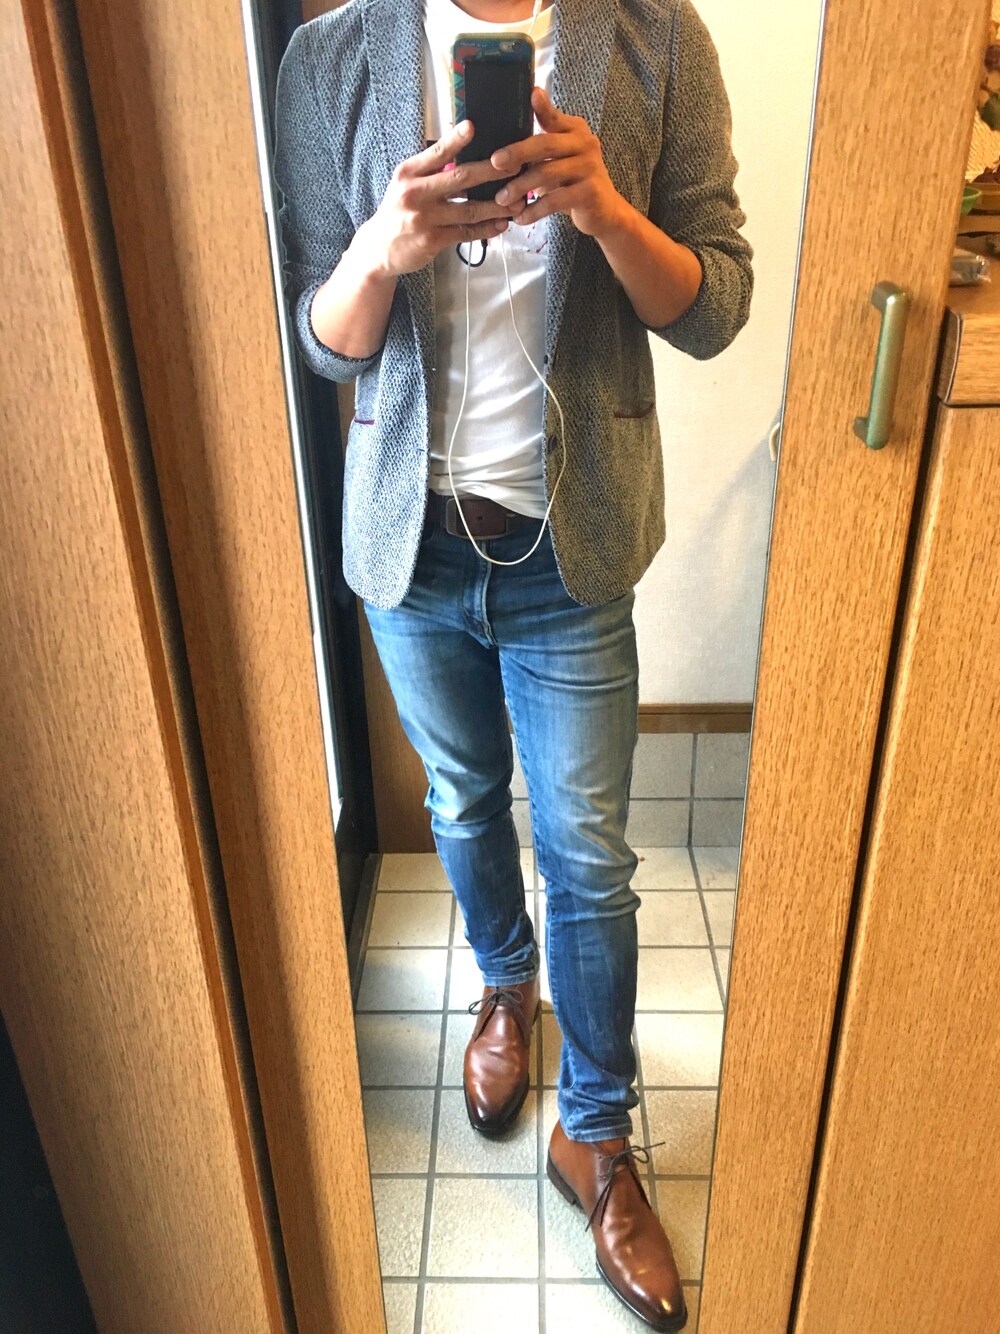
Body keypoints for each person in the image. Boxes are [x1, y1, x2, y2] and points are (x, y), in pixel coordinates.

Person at [273, 1, 752, 1327]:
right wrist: (384, 243)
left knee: (590, 852)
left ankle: (595, 1134)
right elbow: (320, 335)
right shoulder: (332, 57)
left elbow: (715, 307)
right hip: (413, 544)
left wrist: (605, 210)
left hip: (569, 548)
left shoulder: (657, 38)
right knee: (462, 799)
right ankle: (503, 983)